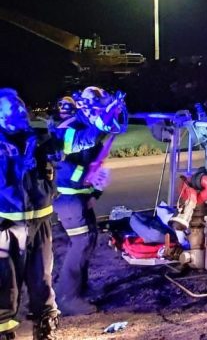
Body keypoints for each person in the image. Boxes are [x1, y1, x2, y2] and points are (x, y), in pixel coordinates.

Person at [52, 86, 122, 316]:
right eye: (97, 107)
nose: (99, 112)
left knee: (89, 239)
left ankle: (79, 289)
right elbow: (83, 143)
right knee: (81, 242)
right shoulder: (69, 127)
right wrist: (102, 123)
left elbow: (95, 159)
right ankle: (67, 297)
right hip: (69, 197)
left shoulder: (86, 125)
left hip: (80, 195)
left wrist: (94, 192)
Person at [0, 88, 60, 340]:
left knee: (41, 280)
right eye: (13, 106)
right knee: (5, 284)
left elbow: (74, 143)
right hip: (6, 226)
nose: (20, 109)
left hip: (40, 221)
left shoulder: (38, 139)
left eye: (21, 105)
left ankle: (45, 328)